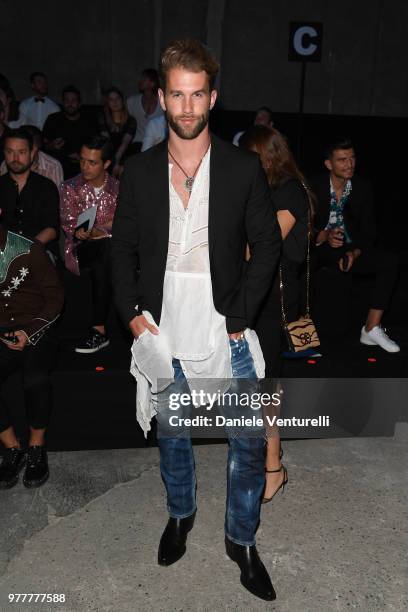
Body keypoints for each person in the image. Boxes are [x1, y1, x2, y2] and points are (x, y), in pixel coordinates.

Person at [111, 39, 281, 601]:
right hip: (162, 325)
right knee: (173, 433)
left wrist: (240, 314)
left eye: (197, 95)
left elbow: (266, 245)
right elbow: (122, 252)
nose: (187, 108)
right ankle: (180, 515)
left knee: (248, 440)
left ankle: (241, 539)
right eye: (176, 96)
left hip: (221, 321)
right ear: (161, 98)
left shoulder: (242, 168)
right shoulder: (136, 172)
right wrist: (133, 316)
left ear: (213, 97)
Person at [241, 125, 314, 502]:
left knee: (268, 386)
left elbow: (262, 247)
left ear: (265, 156)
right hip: (256, 297)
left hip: (275, 303)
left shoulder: (290, 191)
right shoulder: (264, 190)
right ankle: (264, 454)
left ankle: (274, 466)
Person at [311, 138, 399, 352]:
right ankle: (298, 333)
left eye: (352, 158)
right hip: (317, 244)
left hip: (350, 247)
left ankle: (371, 328)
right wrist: (324, 235)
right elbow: (300, 228)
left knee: (390, 261)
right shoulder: (313, 185)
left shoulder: (362, 187)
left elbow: (370, 232)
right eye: (342, 159)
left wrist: (355, 252)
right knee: (297, 264)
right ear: (329, 164)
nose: (349, 164)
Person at [0, 212, 64, 489]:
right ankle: (12, 448)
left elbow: (56, 298)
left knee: (35, 378)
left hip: (36, 330)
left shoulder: (28, 249)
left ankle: (36, 448)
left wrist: (29, 331)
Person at [60, 136, 119, 353]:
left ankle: (100, 330)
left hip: (109, 250)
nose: (85, 166)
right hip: (79, 250)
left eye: (92, 162)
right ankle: (99, 328)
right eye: (82, 160)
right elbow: (70, 224)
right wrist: (87, 231)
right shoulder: (70, 187)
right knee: (107, 250)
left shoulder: (117, 189)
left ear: (106, 164)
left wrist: (101, 230)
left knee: (109, 251)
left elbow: (124, 223)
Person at [0, 128, 60, 255]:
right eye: (10, 151)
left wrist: (23, 249)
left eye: (21, 152)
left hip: (38, 251)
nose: (15, 158)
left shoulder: (46, 187)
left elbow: (52, 229)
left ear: (32, 153)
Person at [43, 85, 96, 179]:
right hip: (59, 166)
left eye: (73, 100)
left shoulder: (89, 120)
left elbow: (97, 145)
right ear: (63, 103)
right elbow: (43, 146)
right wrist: (52, 145)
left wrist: (83, 157)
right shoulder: (53, 119)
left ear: (79, 103)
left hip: (84, 166)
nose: (70, 103)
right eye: (67, 100)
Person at [98, 87, 136, 178]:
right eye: (111, 99)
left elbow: (124, 144)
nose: (115, 102)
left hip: (125, 156)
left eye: (117, 98)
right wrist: (111, 163)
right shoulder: (102, 119)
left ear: (122, 100)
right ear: (107, 102)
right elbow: (106, 142)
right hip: (107, 155)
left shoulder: (131, 120)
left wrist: (117, 163)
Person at [127, 68, 164, 153]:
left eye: (144, 79)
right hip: (136, 146)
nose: (140, 81)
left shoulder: (163, 102)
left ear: (152, 83)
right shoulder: (132, 101)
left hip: (156, 146)